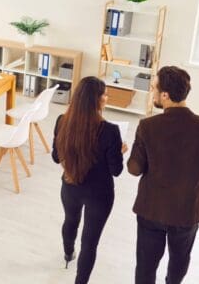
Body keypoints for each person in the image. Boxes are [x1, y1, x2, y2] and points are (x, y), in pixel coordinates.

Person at [128, 66, 199, 284]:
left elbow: (134, 169)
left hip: (151, 209)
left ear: (165, 95)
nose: (151, 92)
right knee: (179, 263)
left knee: (145, 266)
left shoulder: (147, 126)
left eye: (153, 88)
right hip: (186, 212)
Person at [52, 76, 127, 283]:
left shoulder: (61, 121)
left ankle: (68, 253)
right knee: (90, 243)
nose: (107, 97)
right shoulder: (111, 131)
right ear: (96, 100)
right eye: (104, 94)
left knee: (70, 220)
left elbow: (56, 157)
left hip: (70, 187)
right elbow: (116, 170)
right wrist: (119, 151)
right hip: (99, 194)